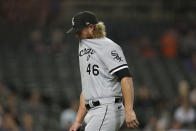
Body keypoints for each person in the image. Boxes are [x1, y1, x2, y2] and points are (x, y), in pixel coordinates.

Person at [66, 11, 139, 131]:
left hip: (107, 108)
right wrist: (78, 121)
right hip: (94, 111)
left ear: (91, 27)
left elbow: (126, 77)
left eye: (79, 31)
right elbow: (87, 90)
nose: (77, 35)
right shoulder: (84, 46)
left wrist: (129, 110)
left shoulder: (108, 46)